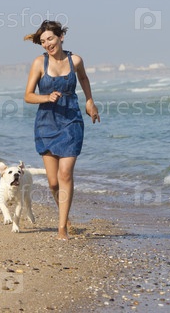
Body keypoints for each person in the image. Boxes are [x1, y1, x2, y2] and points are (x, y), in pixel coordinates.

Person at [24, 19, 100, 240]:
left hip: (71, 121)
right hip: (46, 123)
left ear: (61, 37)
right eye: (43, 41)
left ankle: (61, 229)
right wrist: (46, 97)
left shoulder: (75, 60)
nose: (47, 44)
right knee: (53, 182)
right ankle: (64, 216)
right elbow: (28, 96)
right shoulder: (39, 63)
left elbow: (83, 78)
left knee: (65, 173)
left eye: (50, 39)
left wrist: (90, 101)